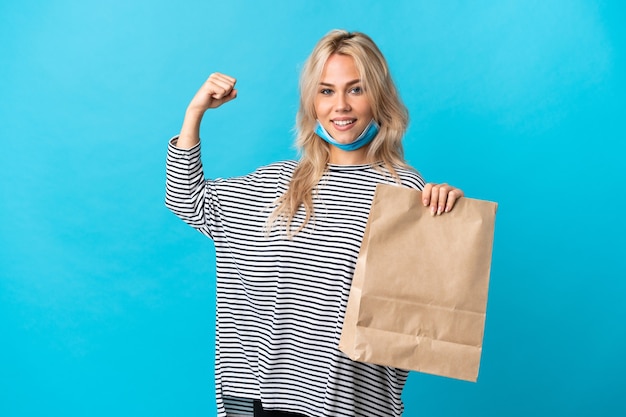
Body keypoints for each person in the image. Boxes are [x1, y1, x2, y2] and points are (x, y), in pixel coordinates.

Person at [165, 29, 464, 417]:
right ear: (312, 102)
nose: (340, 105)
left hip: (349, 403)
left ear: (379, 98)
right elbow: (188, 200)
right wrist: (194, 114)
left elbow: (422, 305)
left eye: (356, 90)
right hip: (258, 399)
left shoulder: (403, 191)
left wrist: (447, 216)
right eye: (326, 91)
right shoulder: (277, 182)